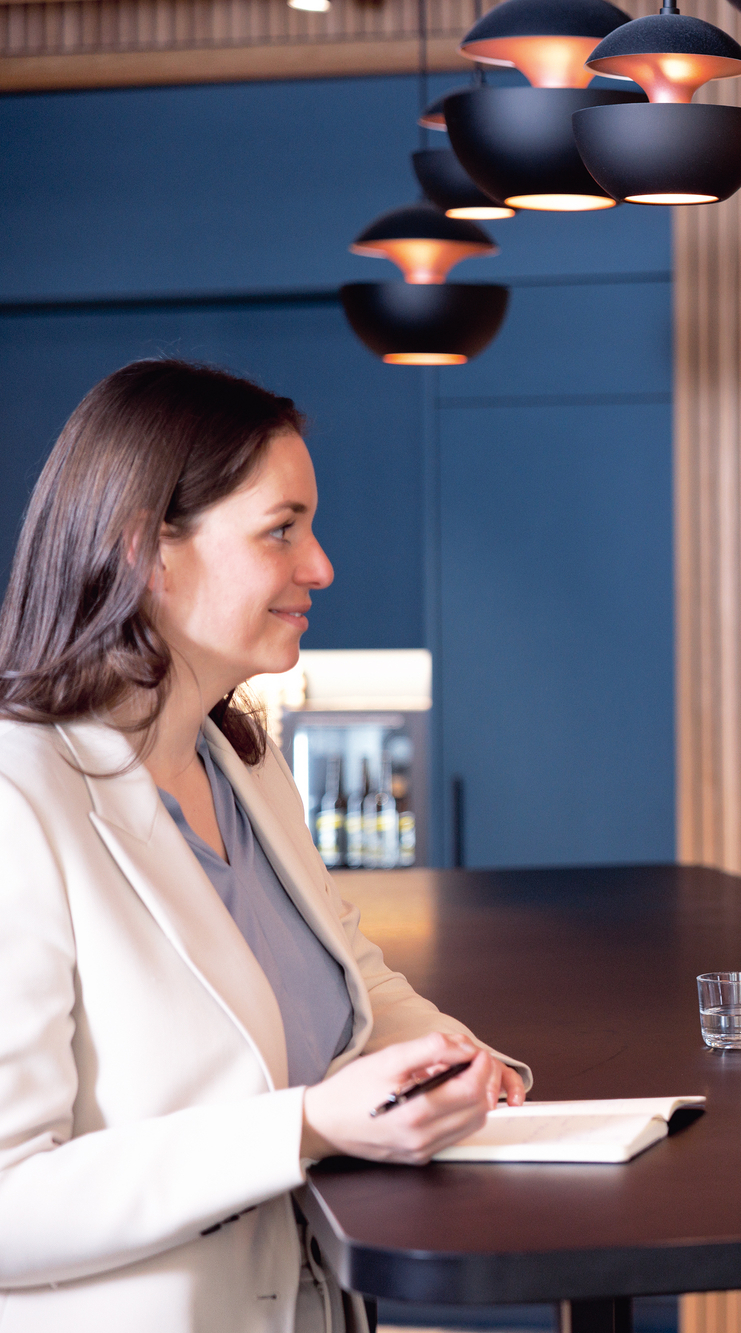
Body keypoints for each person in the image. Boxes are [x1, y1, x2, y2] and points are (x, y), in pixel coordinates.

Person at [0, 360, 530, 1333]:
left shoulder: (240, 759)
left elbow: (356, 984)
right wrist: (307, 1127)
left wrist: (474, 1069)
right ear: (144, 550)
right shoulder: (17, 798)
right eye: (281, 530)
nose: (320, 564)